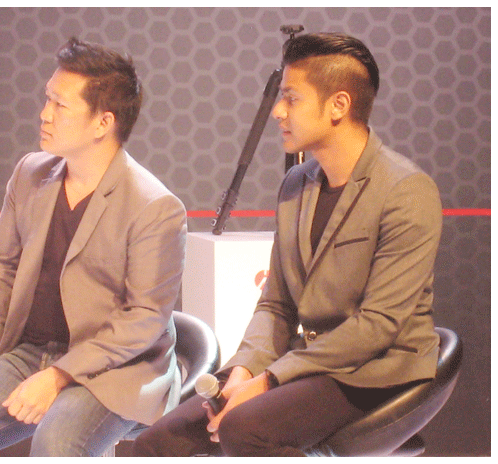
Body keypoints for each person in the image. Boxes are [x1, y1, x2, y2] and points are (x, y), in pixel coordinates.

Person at [132, 32, 443, 457]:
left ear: (338, 105)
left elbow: (378, 325)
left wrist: (271, 380)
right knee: (157, 441)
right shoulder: (296, 183)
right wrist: (246, 369)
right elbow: (276, 304)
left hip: (377, 369)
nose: (278, 111)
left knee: (245, 428)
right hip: (310, 362)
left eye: (291, 98)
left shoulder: (407, 190)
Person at [0, 37, 187, 457]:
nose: (44, 113)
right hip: (31, 353)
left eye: (59, 104)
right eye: (46, 99)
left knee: (57, 444)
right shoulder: (30, 174)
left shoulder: (155, 206)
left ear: (103, 123)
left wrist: (58, 376)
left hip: (116, 369)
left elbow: (143, 319)